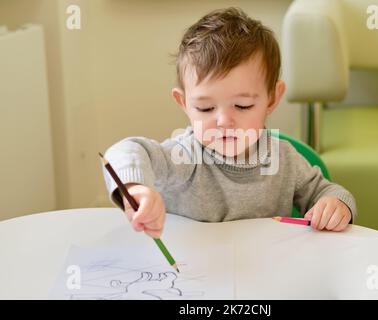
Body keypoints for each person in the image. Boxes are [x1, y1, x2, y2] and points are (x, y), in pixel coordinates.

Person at [102, 7, 357, 239]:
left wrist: (336, 205)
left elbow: (328, 192)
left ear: (272, 98)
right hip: (194, 277)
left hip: (264, 276)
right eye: (205, 108)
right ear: (184, 103)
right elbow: (126, 150)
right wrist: (135, 188)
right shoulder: (183, 156)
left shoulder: (285, 161)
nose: (224, 121)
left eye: (243, 106)